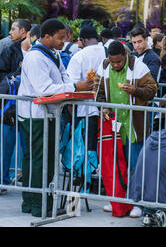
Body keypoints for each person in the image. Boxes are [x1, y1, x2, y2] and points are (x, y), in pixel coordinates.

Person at [17, 18, 94, 217]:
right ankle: (39, 204)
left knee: (40, 159)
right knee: (40, 160)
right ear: (47, 36)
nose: (64, 41)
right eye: (60, 38)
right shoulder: (35, 57)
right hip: (36, 116)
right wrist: (75, 87)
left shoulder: (53, 53)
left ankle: (33, 202)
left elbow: (63, 77)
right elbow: (44, 89)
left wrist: (74, 86)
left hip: (47, 115)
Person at [96, 41, 157, 218]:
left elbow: (152, 90)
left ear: (125, 56)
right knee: (115, 166)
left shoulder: (139, 67)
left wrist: (136, 90)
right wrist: (103, 106)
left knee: (135, 167)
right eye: (112, 61)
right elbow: (97, 91)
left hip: (134, 127)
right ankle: (117, 200)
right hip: (113, 127)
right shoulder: (104, 67)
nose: (115, 65)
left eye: (118, 62)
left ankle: (137, 203)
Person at [0, 19, 31, 192]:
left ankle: (28, 181)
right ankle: (2, 180)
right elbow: (1, 74)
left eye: (13, 29)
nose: (10, 32)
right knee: (6, 145)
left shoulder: (37, 52)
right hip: (9, 105)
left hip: (29, 106)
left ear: (24, 32)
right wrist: (14, 79)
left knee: (28, 146)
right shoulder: (9, 50)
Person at [66, 24, 105, 157]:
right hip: (108, 108)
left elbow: (71, 83)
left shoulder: (79, 56)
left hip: (84, 109)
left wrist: (70, 105)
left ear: (83, 40)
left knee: (84, 146)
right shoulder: (107, 51)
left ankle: (84, 175)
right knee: (103, 146)